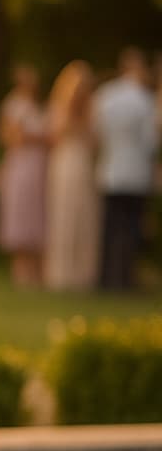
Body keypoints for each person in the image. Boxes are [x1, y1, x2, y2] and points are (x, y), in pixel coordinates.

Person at [90, 47, 160, 290]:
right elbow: (151, 141)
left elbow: (96, 133)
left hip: (110, 170)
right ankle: (125, 279)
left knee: (110, 228)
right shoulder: (145, 99)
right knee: (130, 229)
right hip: (135, 173)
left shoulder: (106, 95)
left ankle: (108, 278)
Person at [43, 60, 100, 291]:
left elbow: (96, 143)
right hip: (65, 164)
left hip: (84, 165)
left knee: (85, 218)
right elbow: (53, 138)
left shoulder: (92, 113)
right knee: (64, 218)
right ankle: (61, 275)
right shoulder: (59, 109)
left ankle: (84, 275)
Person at [0, 63, 51, 286]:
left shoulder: (38, 105)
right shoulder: (13, 105)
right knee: (21, 213)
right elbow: (11, 138)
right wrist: (37, 138)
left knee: (37, 214)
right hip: (22, 164)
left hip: (39, 166)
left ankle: (38, 271)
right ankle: (21, 272)